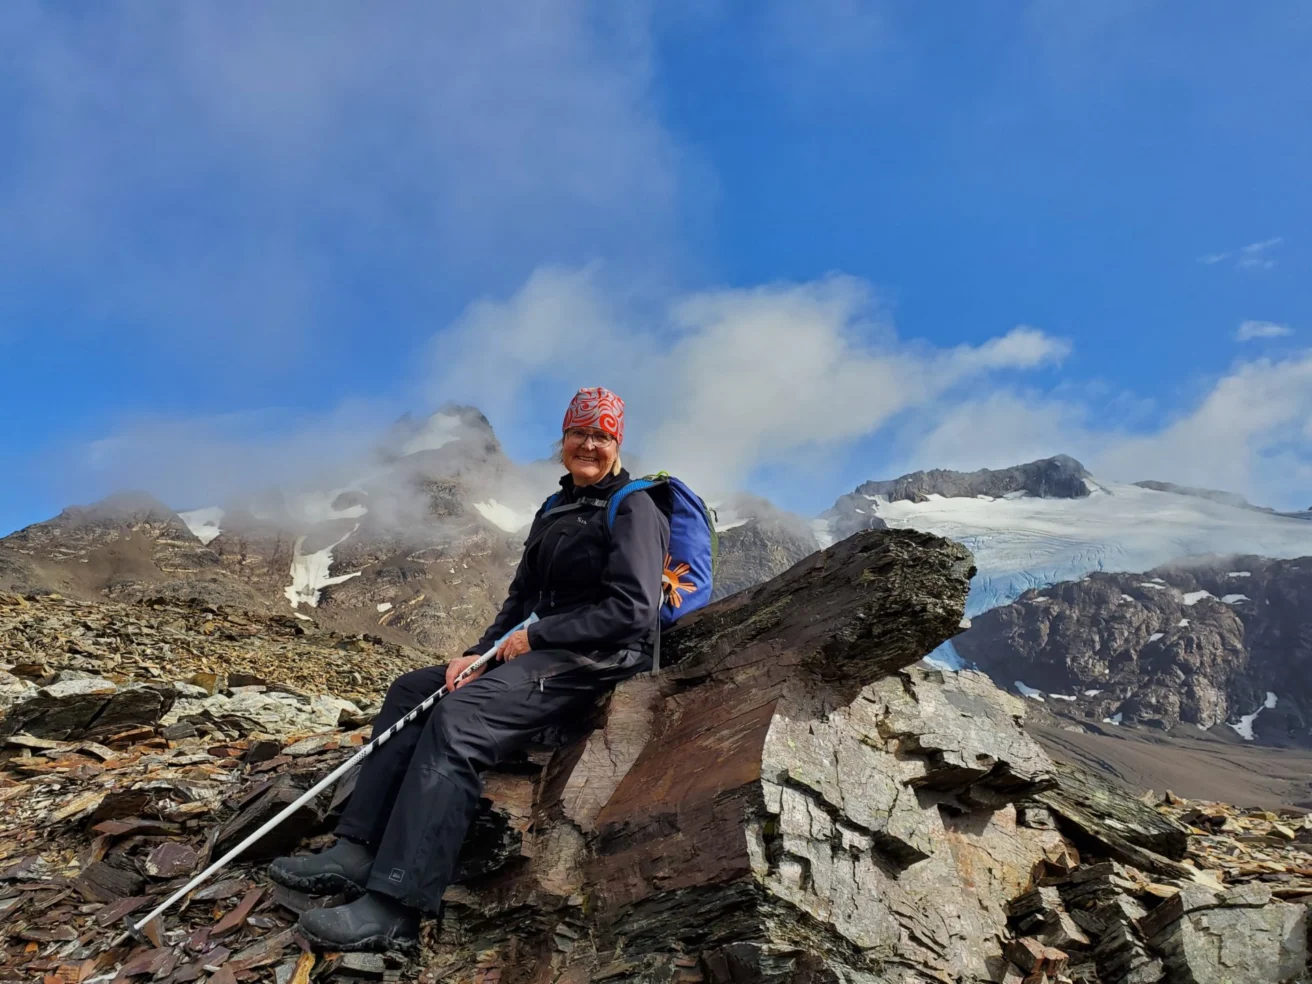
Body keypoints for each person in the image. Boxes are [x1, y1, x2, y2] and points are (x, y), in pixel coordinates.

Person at [269, 386, 670, 951]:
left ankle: (397, 905)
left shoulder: (634, 506)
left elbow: (632, 610)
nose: (588, 444)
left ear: (617, 442)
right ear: (562, 441)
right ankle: (357, 848)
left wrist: (538, 636)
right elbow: (521, 597)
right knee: (413, 690)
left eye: (601, 435)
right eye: (578, 433)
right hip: (541, 648)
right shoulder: (556, 507)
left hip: (596, 657)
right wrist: (479, 653)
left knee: (460, 719)